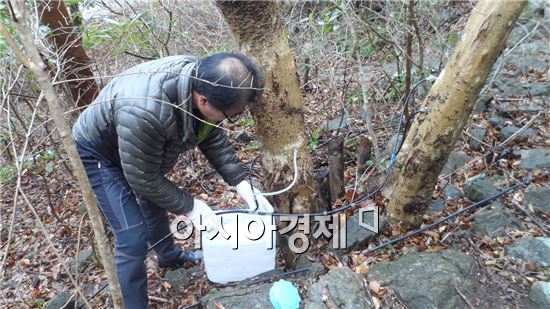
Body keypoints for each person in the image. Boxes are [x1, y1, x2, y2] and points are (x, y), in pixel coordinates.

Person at [72, 52, 274, 308]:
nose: (228, 120)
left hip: (135, 143)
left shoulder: (204, 81)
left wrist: (242, 184)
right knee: (132, 234)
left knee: (154, 199)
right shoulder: (147, 110)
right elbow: (142, 178)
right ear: (203, 100)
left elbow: (210, 136)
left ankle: (169, 257)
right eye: (230, 114)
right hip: (98, 150)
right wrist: (192, 207)